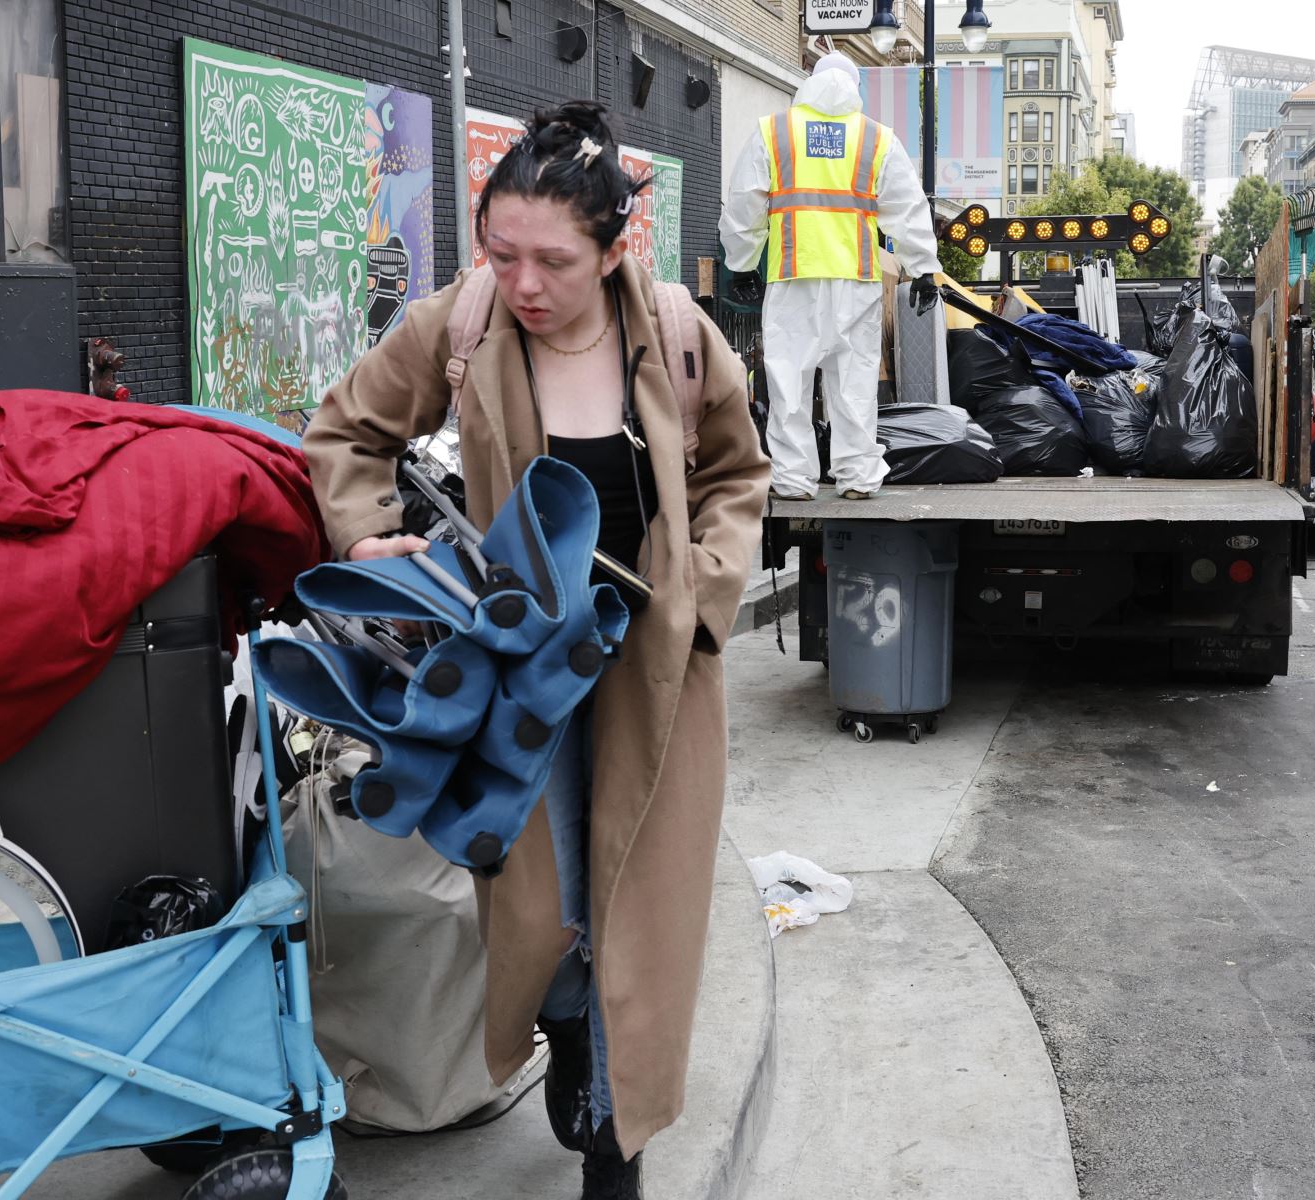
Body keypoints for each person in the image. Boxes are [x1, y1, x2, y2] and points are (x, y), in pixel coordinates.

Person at [303, 101, 770, 1198]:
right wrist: (369, 530)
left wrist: (700, 597)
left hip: (652, 673)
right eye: (499, 252)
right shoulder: (457, 330)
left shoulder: (680, 338)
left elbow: (737, 478)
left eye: (552, 259)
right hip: (519, 677)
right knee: (541, 900)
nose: (522, 282)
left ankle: (618, 1144)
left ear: (614, 252)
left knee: (639, 916)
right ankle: (567, 1030)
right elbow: (344, 429)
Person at [719, 51, 941, 500]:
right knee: (854, 383)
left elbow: (745, 203)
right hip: (853, 278)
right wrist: (923, 268)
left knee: (789, 384)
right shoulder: (875, 139)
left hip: (793, 276)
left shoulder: (775, 131)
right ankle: (857, 477)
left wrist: (741, 261)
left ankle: (794, 479)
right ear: (855, 85)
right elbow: (907, 207)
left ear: (810, 81)